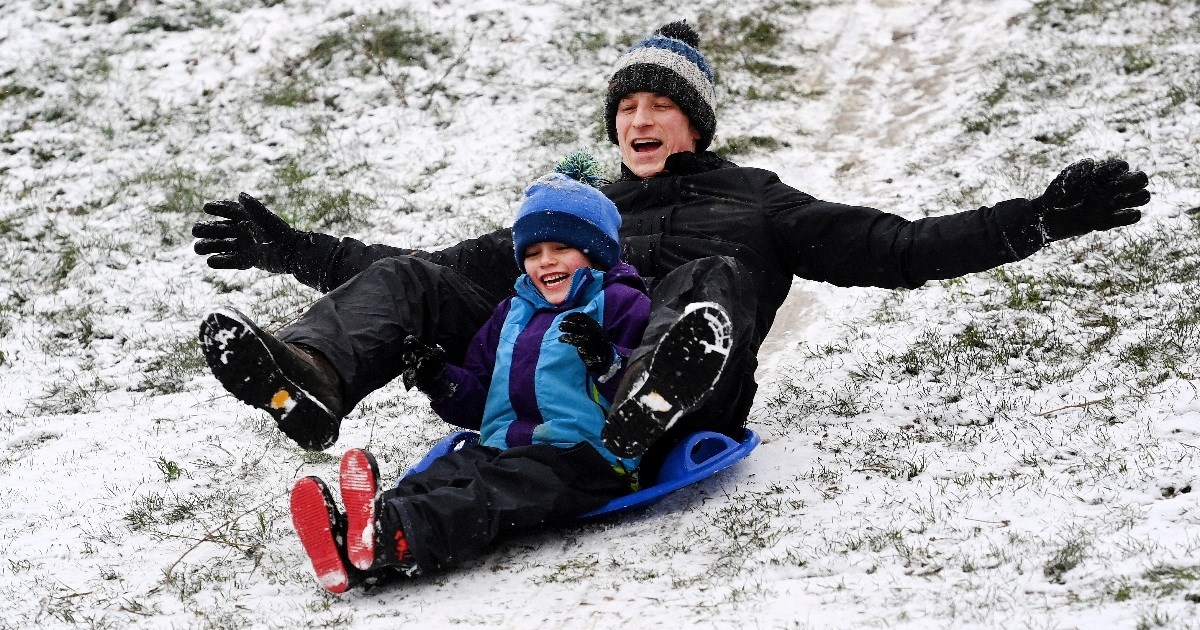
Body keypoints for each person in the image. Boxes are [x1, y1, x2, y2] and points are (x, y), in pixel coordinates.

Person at [193, 21, 1151, 476]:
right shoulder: (582, 211)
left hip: (695, 379)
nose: (639, 119)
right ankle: (314, 375)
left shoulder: (757, 203)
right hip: (566, 382)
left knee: (704, 279)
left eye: (658, 105)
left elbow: (898, 247)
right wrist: (296, 251)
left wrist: (1042, 217)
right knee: (416, 282)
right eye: (626, 107)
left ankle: (653, 392)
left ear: (693, 122)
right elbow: (437, 272)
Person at [281, 164, 730, 593]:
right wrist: (441, 379)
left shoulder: (619, 302)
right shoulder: (509, 314)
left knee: (486, 496)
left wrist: (603, 357)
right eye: (532, 253)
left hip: (581, 457)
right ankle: (356, 541)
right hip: (500, 445)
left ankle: (396, 536)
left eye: (561, 250)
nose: (545, 262)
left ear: (595, 253)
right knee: (442, 475)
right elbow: (478, 397)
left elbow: (635, 389)